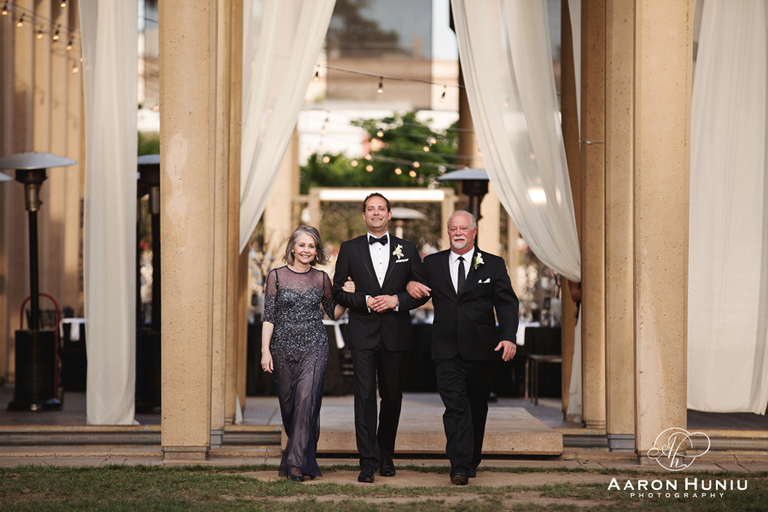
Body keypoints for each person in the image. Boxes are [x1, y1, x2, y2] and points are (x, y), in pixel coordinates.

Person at [407, 210, 519, 485]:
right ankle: (458, 465)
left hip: (483, 350)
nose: (458, 233)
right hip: (446, 350)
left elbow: (506, 303)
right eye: (453, 229)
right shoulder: (432, 263)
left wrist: (508, 336)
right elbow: (414, 287)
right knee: (455, 408)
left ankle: (471, 460)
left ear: (473, 232)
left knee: (476, 407)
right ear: (448, 233)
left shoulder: (492, 264)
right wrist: (410, 284)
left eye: (463, 228)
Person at [332, 192, 428, 483]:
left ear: (389, 215)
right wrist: (366, 301)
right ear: (363, 216)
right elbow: (337, 292)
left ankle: (386, 455)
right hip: (362, 333)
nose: (375, 213)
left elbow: (422, 290)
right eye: (370, 209)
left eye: (381, 209)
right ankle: (367, 460)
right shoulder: (348, 249)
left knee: (392, 397)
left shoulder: (408, 248)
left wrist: (397, 300)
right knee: (363, 398)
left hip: (396, 334)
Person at [261, 226, 355, 482]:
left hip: (315, 346)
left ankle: (295, 465)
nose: (306, 250)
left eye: (311, 246)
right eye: (302, 245)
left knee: (306, 401)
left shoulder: (322, 278)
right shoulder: (276, 276)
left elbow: (332, 313)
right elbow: (269, 317)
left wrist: (346, 298)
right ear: (293, 247)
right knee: (291, 408)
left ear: (317, 251)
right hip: (281, 348)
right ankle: (306, 454)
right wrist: (264, 351)